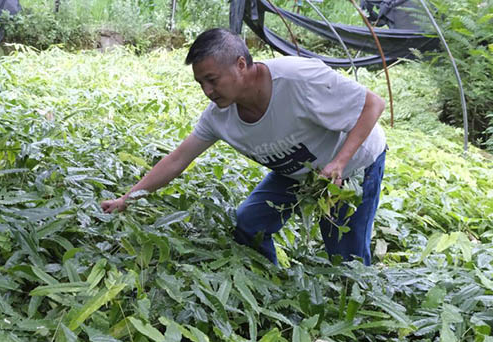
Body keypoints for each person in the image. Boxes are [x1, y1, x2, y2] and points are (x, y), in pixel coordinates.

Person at [100, 28, 387, 266]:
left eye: (212, 80)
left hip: (353, 164)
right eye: (201, 83)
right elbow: (177, 160)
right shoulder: (218, 117)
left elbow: (373, 104)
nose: (207, 91)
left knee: (345, 258)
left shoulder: (297, 78)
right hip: (297, 171)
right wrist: (127, 199)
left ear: (240, 64)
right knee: (249, 226)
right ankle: (271, 283)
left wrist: (339, 162)